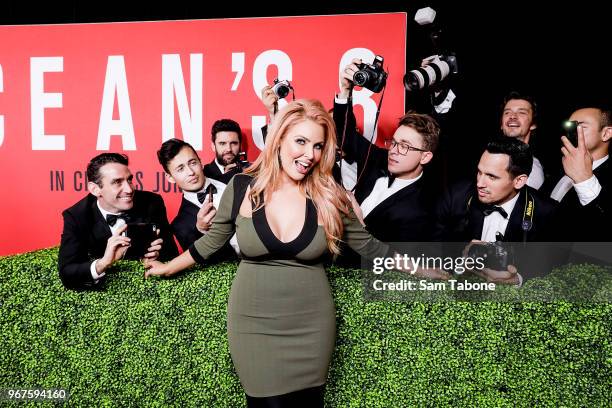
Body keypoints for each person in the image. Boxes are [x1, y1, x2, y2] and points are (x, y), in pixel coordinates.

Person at [144, 99, 407, 406]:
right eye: (301, 141)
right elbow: (212, 241)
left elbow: (373, 248)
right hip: (253, 325)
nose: (310, 155)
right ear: (279, 138)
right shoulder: (242, 187)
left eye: (319, 146)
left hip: (312, 327)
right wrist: (168, 267)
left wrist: (442, 268)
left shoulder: (329, 195)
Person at [333, 59, 440, 243]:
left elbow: (394, 262)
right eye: (394, 142)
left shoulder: (422, 206)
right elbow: (346, 137)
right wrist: (345, 90)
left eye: (405, 146)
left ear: (425, 156)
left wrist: (359, 224)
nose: (394, 151)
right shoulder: (378, 160)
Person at [434, 137, 557, 284]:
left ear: (519, 181)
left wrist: (517, 279)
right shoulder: (456, 197)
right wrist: (460, 264)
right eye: (479, 172)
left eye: (491, 177)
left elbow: (549, 267)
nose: (479, 183)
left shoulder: (546, 212)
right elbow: (432, 249)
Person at [58, 153, 178, 290]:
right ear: (95, 189)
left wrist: (156, 256)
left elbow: (172, 253)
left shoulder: (151, 202)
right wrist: (103, 263)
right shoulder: (76, 216)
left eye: (129, 180)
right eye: (117, 182)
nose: (129, 189)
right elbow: (67, 272)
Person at [157, 138, 239, 258]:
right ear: (170, 178)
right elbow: (202, 262)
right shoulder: (180, 225)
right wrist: (200, 230)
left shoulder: (233, 177)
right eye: (180, 169)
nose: (190, 172)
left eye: (192, 163)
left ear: (200, 162)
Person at [548, 104, 611, 241]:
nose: (571, 131)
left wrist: (584, 180)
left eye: (580, 126)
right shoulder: (558, 170)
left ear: (606, 133)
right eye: (570, 126)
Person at [500, 91, 545, 189]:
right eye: (507, 112)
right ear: (501, 124)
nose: (512, 116)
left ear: (533, 124)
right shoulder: (487, 158)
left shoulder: (531, 170)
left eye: (521, 112)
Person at [203, 118, 248, 184]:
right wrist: (225, 179)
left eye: (233, 143)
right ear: (213, 146)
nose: (228, 149)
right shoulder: (203, 174)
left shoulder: (249, 172)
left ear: (240, 145)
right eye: (222, 143)